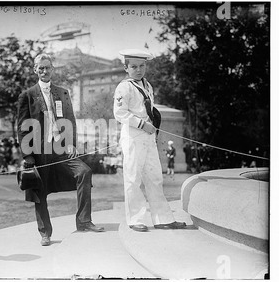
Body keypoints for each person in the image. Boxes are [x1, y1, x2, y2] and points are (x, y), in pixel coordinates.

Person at [17, 53, 104, 246]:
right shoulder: (27, 95)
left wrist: (72, 143)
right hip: (40, 151)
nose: (45, 71)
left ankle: (84, 221)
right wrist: (28, 155)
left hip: (62, 148)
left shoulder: (62, 92)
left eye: (48, 67)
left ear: (52, 69)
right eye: (41, 68)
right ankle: (44, 233)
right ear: (35, 70)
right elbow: (22, 127)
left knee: (84, 172)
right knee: (39, 190)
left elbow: (71, 120)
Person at [113, 49, 186, 232]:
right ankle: (135, 219)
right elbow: (119, 113)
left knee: (155, 177)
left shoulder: (147, 85)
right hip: (133, 136)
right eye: (134, 67)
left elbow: (148, 109)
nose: (139, 70)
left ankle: (163, 218)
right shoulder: (124, 87)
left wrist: (152, 124)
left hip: (149, 137)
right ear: (126, 68)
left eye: (142, 66)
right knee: (133, 178)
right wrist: (141, 124)